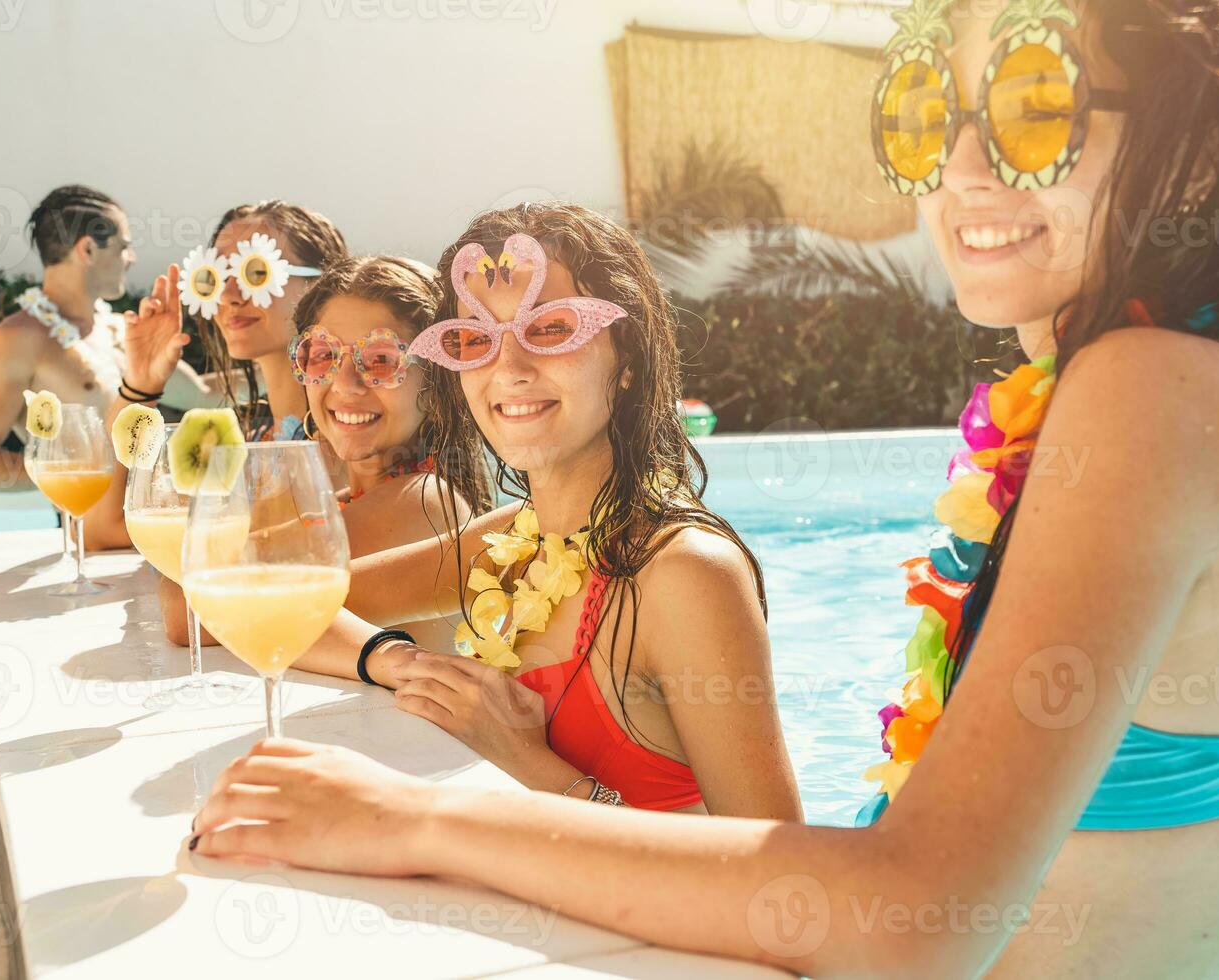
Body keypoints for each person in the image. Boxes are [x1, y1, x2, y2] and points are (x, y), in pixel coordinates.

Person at [192, 2, 1219, 976]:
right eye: (928, 115)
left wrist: (423, 815)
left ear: (1188, 147)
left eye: (1041, 105)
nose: (965, 168)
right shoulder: (1172, 384)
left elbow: (913, 914)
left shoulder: (1154, 388)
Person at [284, 204, 803, 818]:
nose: (509, 369)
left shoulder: (683, 574)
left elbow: (779, 878)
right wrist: (401, 661)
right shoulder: (510, 541)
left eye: (552, 329)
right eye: (476, 339)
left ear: (629, 359)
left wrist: (528, 761)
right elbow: (282, 603)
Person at [121, 199, 349, 638]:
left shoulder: (342, 441)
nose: (229, 294)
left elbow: (195, 606)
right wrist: (140, 384)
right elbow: (111, 525)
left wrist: (191, 559)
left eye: (255, 273)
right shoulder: (246, 435)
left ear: (322, 286)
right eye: (216, 278)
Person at [0, 185, 215, 507]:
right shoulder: (16, 340)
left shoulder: (120, 330)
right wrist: (71, 474)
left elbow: (205, 395)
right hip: (85, 530)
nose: (132, 259)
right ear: (88, 249)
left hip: (153, 515)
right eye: (124, 247)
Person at [288, 255, 493, 650]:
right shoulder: (351, 500)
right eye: (324, 355)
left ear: (437, 387)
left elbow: (192, 607)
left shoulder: (423, 501)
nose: (345, 384)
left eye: (381, 360)